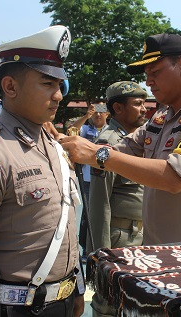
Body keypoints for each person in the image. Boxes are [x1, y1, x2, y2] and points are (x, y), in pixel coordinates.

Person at [0, 25, 85, 317]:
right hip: (17, 308)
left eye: (60, 85)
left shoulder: (52, 143)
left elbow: (66, 223)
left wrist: (78, 288)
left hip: (63, 300)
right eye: (47, 84)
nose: (59, 95)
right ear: (10, 87)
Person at [60, 33, 181, 245]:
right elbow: (124, 148)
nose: (148, 82)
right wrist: (65, 144)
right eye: (147, 74)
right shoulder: (162, 116)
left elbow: (174, 178)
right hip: (157, 249)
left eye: (154, 72)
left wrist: (96, 154)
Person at [88, 81, 147, 317]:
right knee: (110, 303)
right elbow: (99, 201)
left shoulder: (137, 138)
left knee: (134, 303)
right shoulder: (109, 143)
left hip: (139, 234)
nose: (144, 109)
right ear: (118, 108)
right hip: (119, 237)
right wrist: (102, 255)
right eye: (138, 104)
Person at [68, 99, 109, 257]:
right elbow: (72, 129)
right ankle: (86, 248)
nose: (98, 114)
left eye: (101, 110)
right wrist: (86, 116)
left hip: (105, 179)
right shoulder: (86, 129)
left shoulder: (110, 130)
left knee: (102, 212)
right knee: (87, 214)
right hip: (87, 179)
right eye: (95, 111)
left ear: (108, 113)